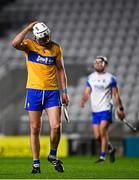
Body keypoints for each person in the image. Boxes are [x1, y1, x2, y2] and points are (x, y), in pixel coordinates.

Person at [12, 21, 69, 173]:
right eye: (42, 39)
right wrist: (28, 28)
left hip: (52, 92)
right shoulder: (29, 45)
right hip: (33, 91)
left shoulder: (56, 48)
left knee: (56, 126)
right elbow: (14, 43)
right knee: (35, 128)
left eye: (47, 37)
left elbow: (61, 70)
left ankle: (52, 154)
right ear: (36, 38)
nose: (46, 41)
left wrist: (64, 92)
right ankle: (36, 164)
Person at [80, 56, 125, 163]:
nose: (98, 64)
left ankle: (102, 157)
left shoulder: (111, 78)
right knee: (97, 136)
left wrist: (121, 108)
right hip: (95, 110)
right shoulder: (90, 77)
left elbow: (116, 94)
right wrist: (83, 100)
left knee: (103, 130)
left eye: (100, 62)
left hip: (106, 108)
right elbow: (87, 91)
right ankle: (110, 148)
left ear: (105, 64)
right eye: (96, 63)